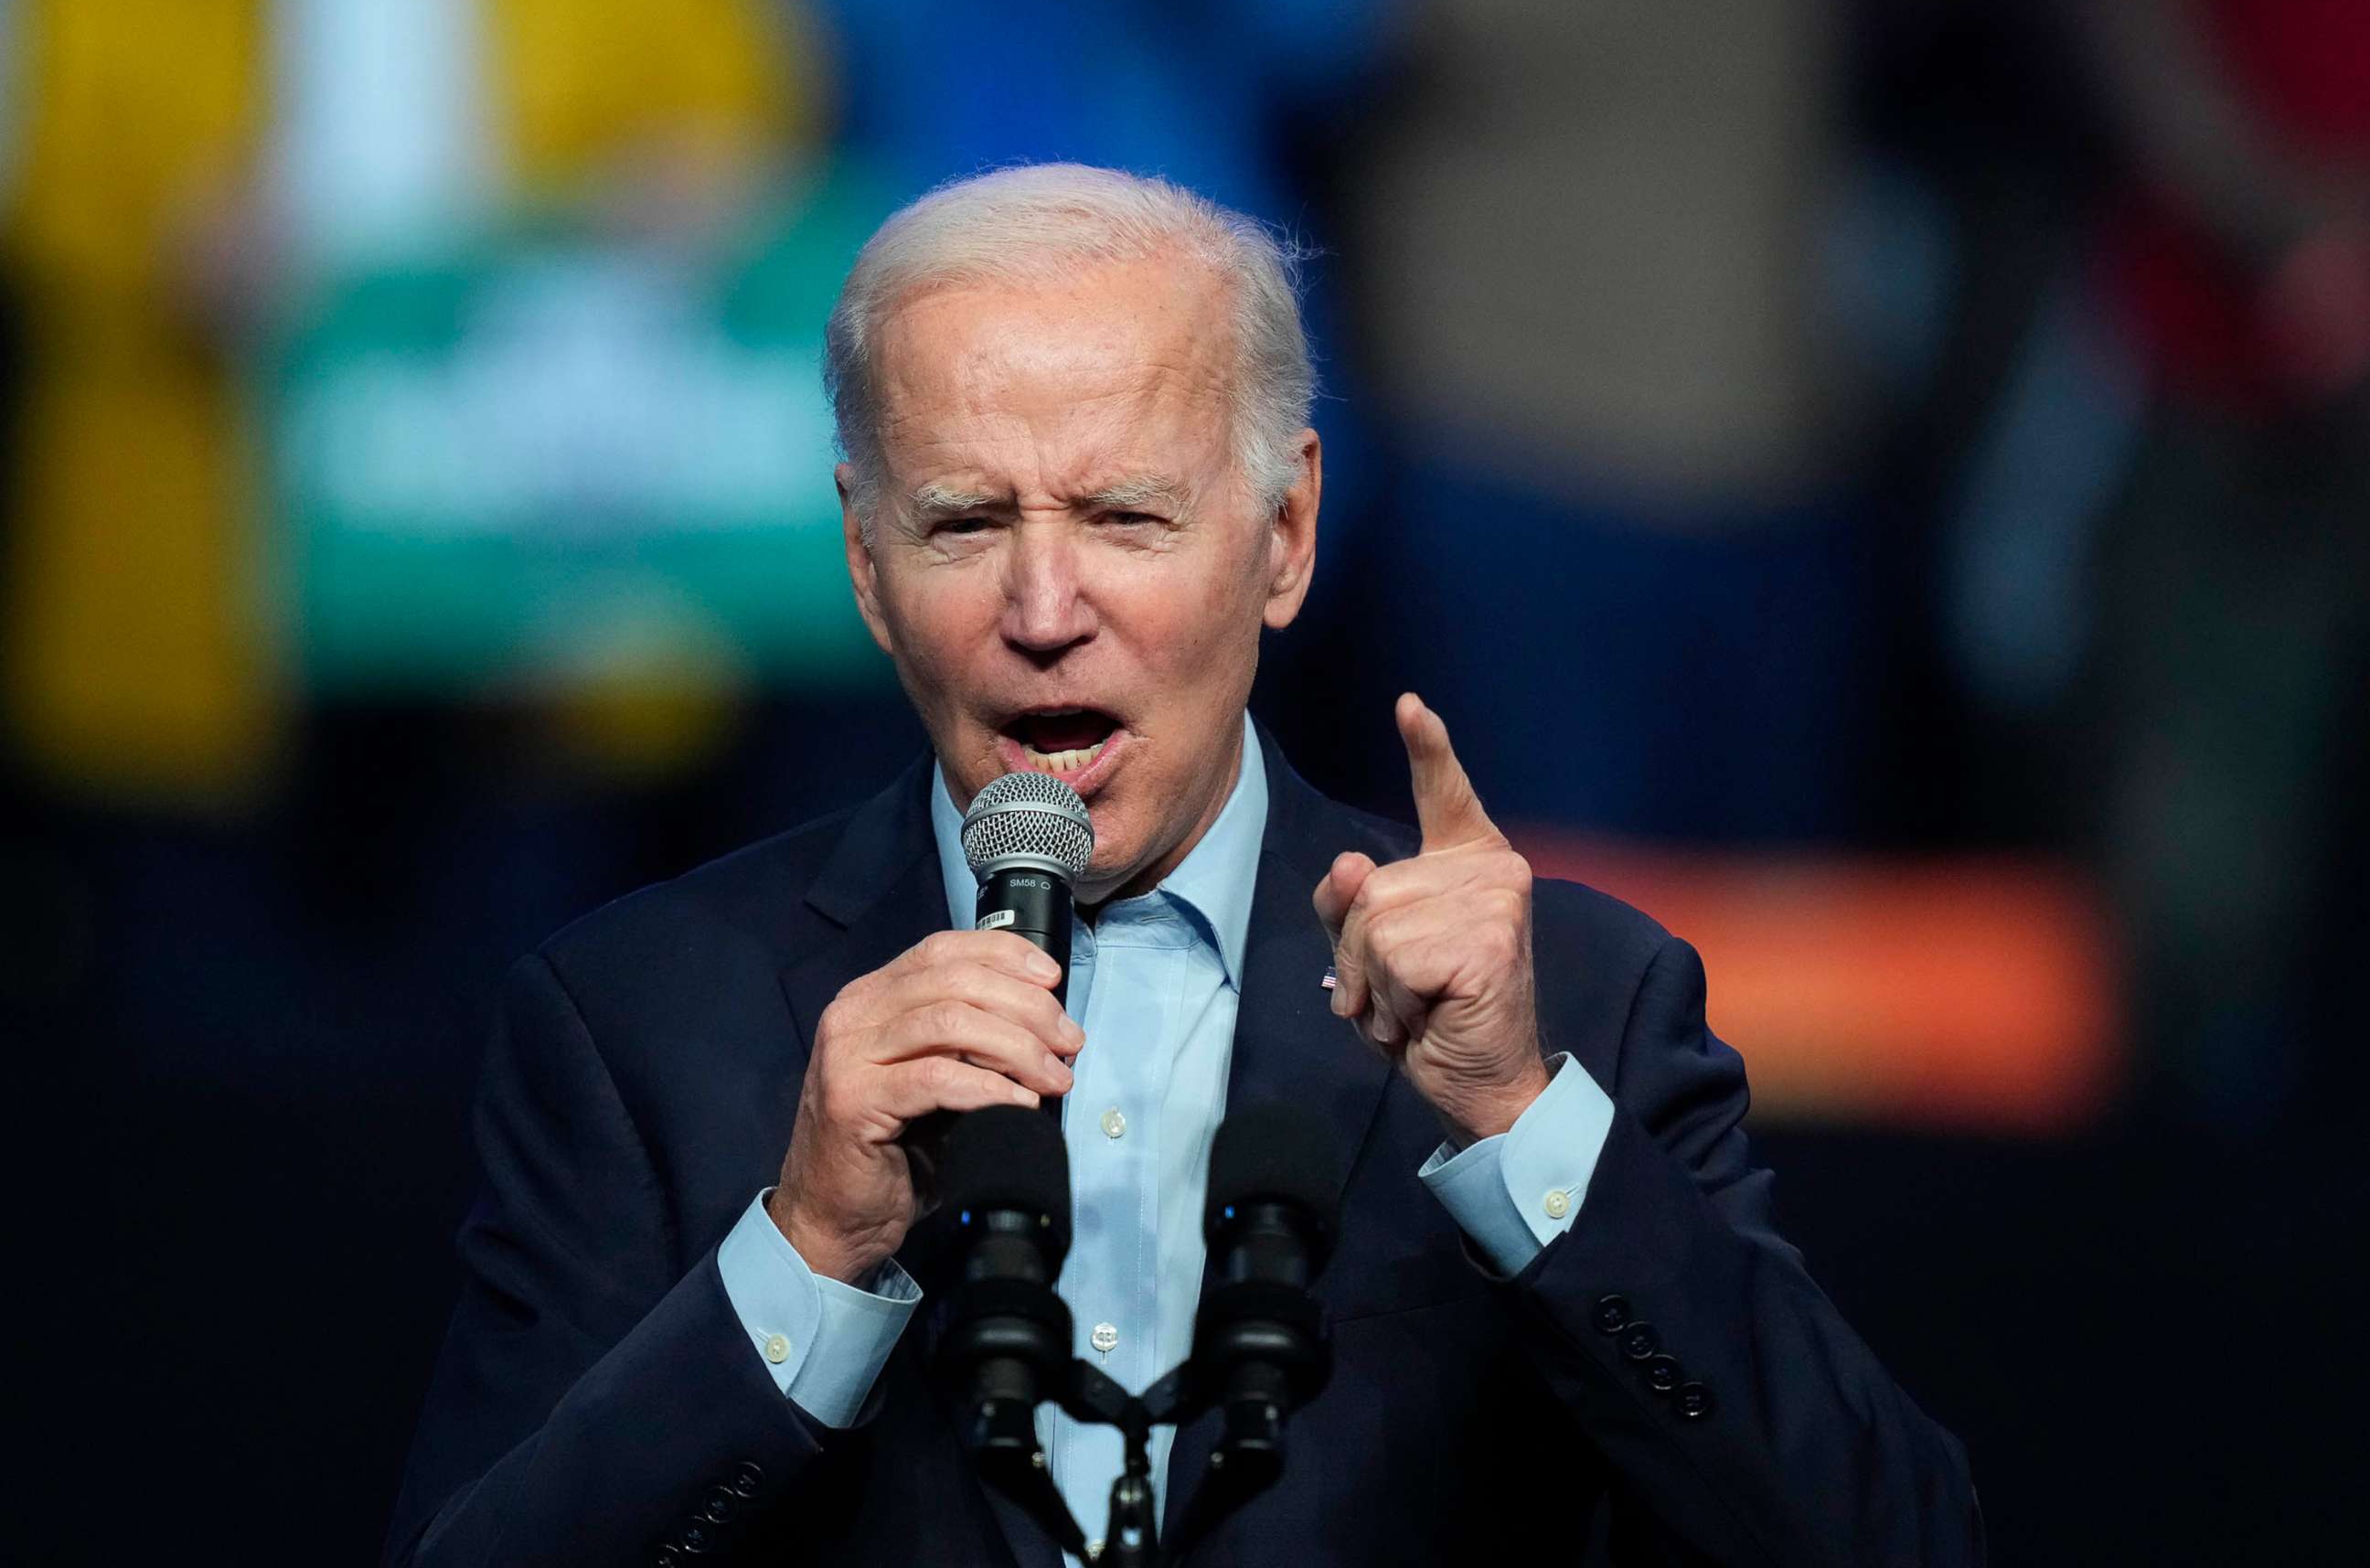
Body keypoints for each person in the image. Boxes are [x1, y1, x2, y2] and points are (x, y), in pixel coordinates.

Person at [387, 165, 1981, 1566]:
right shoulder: (636, 1024)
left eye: (1126, 516)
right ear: (866, 569)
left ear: (1283, 537)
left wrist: (1518, 1126)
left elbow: (1885, 1538)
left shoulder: (1582, 1006)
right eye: (960, 524)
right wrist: (803, 1258)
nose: (1042, 604)